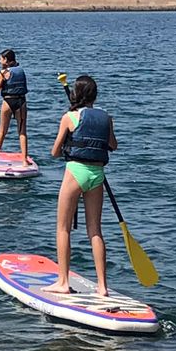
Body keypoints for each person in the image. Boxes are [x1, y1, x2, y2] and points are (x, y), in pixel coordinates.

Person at [51, 73, 117, 297]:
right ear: (94, 96)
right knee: (95, 230)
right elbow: (112, 145)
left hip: (75, 173)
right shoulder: (106, 117)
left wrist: (71, 140)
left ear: (76, 94)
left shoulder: (69, 117)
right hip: (97, 175)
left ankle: (62, 282)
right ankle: (102, 287)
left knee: (63, 228)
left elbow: (54, 151)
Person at [0, 50, 30, 161]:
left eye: (1, 59)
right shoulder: (21, 71)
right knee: (22, 132)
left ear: (6, 60)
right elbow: (12, 83)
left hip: (8, 102)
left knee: (2, 131)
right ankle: (24, 160)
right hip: (21, 102)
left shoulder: (2, 73)